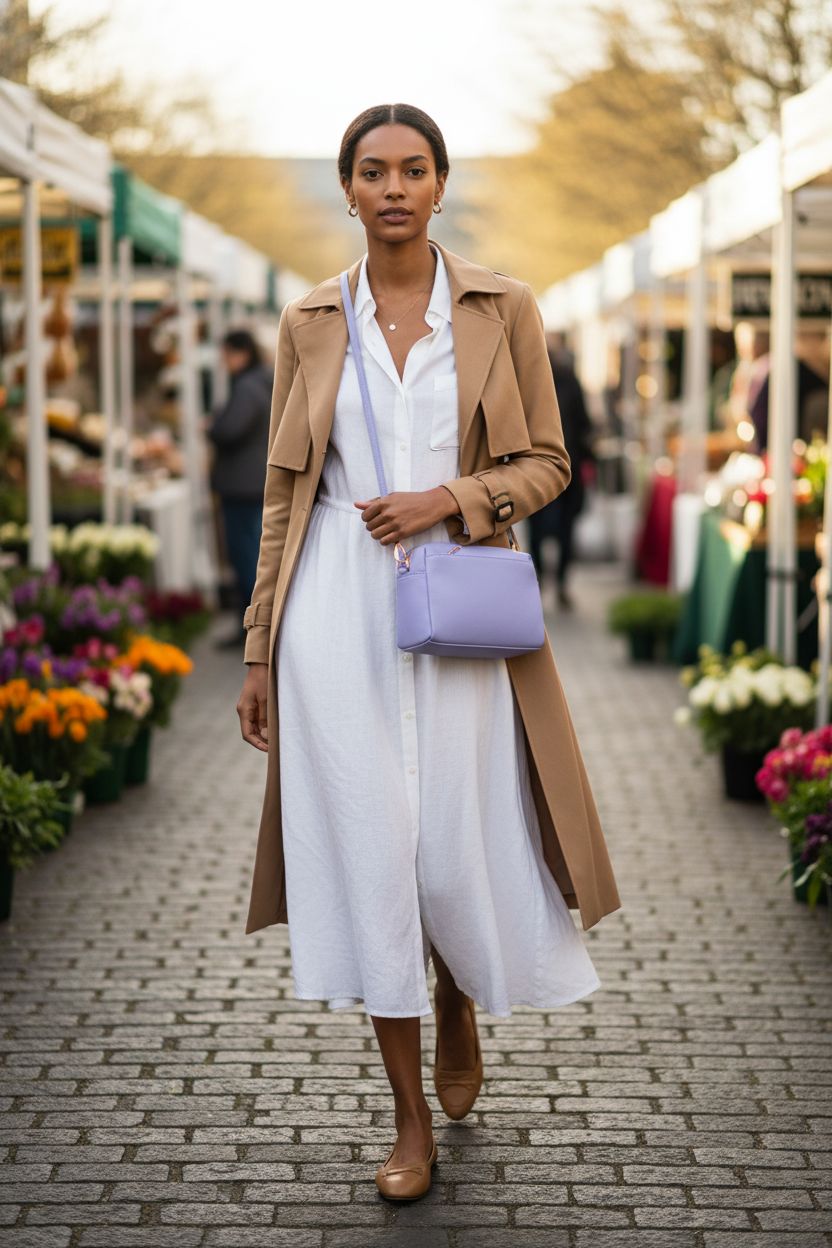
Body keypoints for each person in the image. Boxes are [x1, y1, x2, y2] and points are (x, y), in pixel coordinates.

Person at [235, 103, 621, 1202]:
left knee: (447, 857)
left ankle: (453, 986)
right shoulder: (310, 316)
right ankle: (409, 1121)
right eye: (371, 171)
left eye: (413, 169)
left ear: (441, 185)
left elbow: (550, 461)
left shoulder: (504, 308)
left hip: (456, 603)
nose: (393, 186)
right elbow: (281, 496)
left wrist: (451, 498)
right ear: (348, 190)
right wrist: (258, 650)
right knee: (369, 860)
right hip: (333, 616)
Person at [207, 329, 273, 648]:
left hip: (242, 485)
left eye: (227, 355)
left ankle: (250, 630)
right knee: (254, 555)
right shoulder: (264, 381)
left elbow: (230, 429)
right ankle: (254, 627)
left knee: (246, 558)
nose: (224, 362)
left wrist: (213, 425)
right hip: (254, 481)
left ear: (241, 353)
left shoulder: (248, 387)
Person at [527, 336, 594, 610]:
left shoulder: (528, 381)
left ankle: (546, 582)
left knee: (543, 529)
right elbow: (585, 424)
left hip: (539, 469)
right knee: (562, 529)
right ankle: (557, 583)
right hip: (564, 466)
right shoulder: (566, 379)